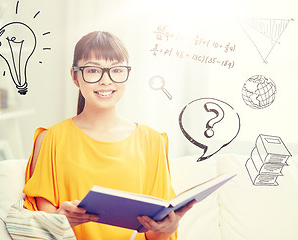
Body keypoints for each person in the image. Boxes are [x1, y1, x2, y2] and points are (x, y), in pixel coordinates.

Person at [22, 31, 195, 240]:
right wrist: (60, 219)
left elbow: (153, 234)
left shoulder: (152, 140)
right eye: (94, 70)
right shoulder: (52, 139)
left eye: (116, 70)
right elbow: (40, 223)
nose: (106, 80)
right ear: (75, 76)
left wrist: (167, 228)